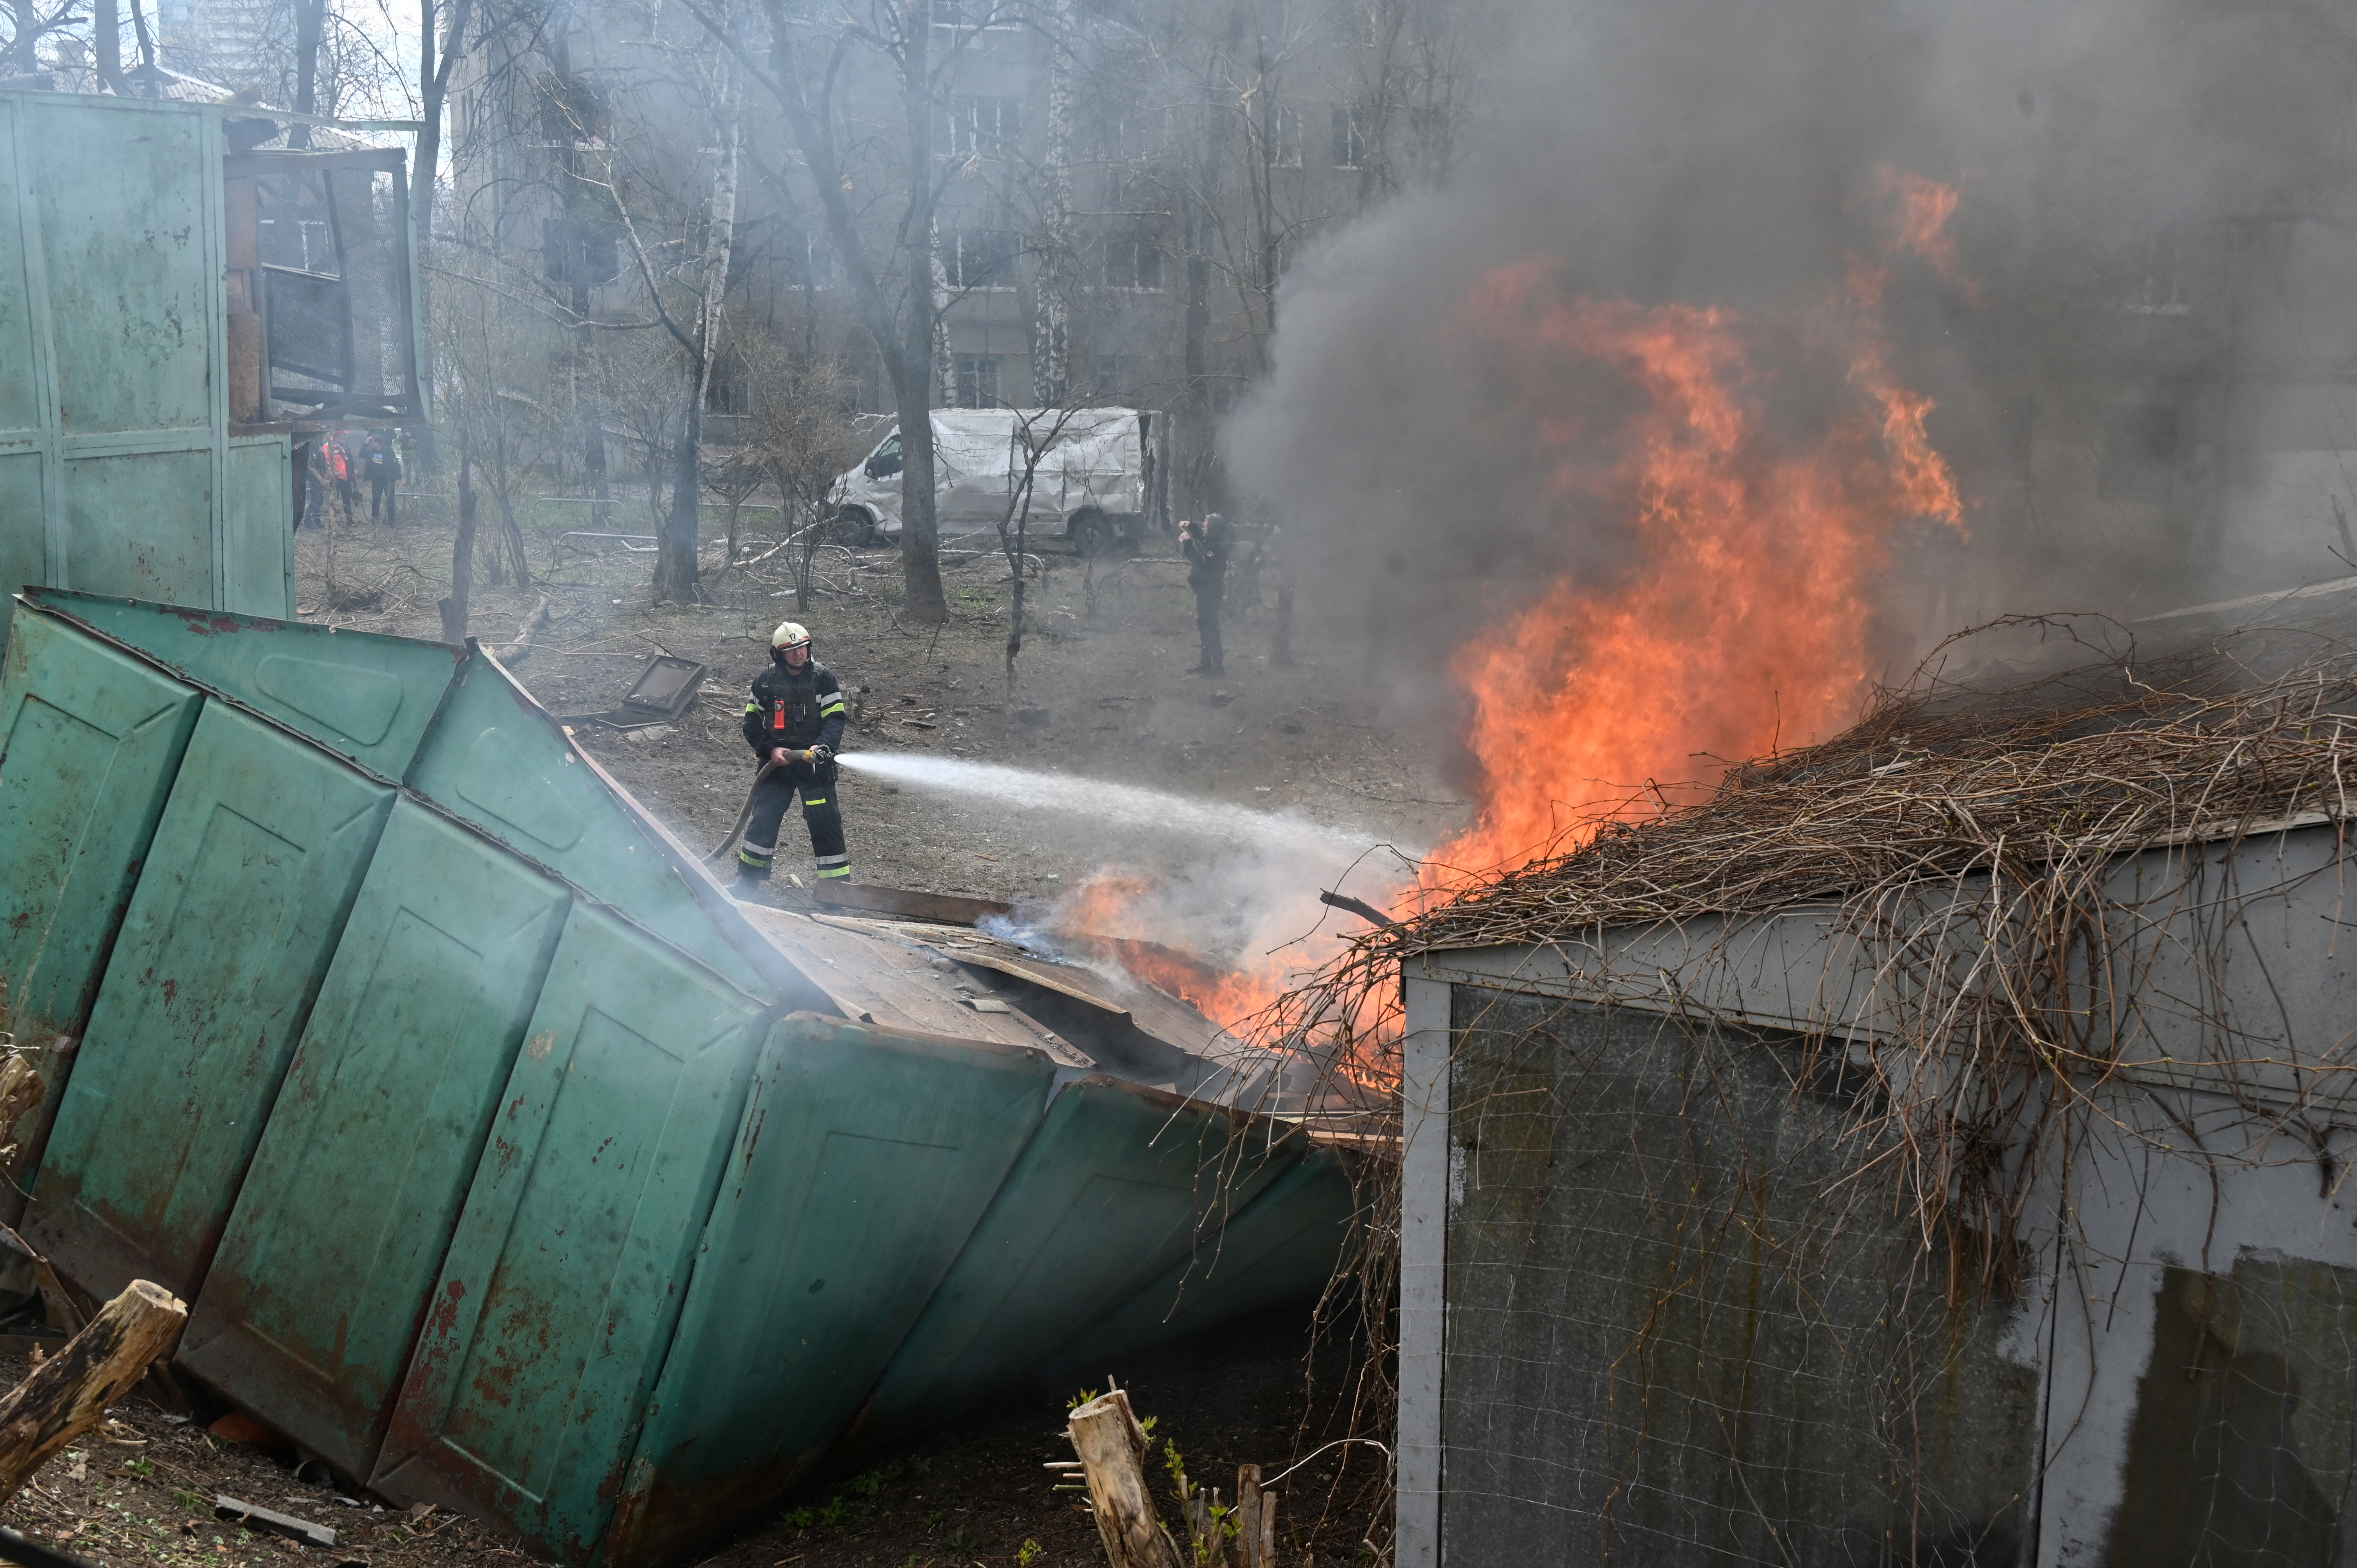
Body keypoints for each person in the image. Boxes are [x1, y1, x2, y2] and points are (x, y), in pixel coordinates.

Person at [735, 620, 852, 893]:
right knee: (764, 818)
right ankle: (748, 883)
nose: (799, 654)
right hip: (777, 766)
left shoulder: (824, 678)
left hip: (814, 767)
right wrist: (770, 750)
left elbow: (835, 719)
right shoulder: (765, 681)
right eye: (791, 650)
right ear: (778, 654)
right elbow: (751, 722)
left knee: (825, 822)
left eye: (802, 647)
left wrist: (822, 748)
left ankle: (834, 891)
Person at [1180, 512, 1229, 675]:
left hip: (1211, 593)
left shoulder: (1216, 547)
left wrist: (1188, 543)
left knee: (1210, 628)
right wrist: (1190, 526)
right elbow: (1202, 536)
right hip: (1205, 592)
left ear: (1213, 529)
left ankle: (1216, 667)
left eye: (1206, 524)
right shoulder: (1212, 542)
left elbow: (1200, 562)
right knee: (1204, 626)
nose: (1203, 526)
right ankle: (1206, 664)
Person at [363, 433, 401, 524]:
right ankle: (375, 519)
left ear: (378, 443)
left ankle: (391, 521)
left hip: (389, 479)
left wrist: (398, 478)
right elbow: (362, 454)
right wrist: (366, 443)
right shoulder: (371, 452)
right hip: (377, 480)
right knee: (376, 500)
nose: (371, 444)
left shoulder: (388, 451)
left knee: (390, 500)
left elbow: (396, 465)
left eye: (373, 442)